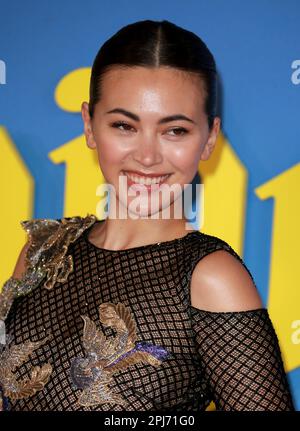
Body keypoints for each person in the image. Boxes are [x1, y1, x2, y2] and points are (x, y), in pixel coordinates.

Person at [0, 19, 295, 411]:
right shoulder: (43, 251)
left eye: (174, 131)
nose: (147, 156)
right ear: (89, 125)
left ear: (208, 138)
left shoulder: (210, 277)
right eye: (124, 125)